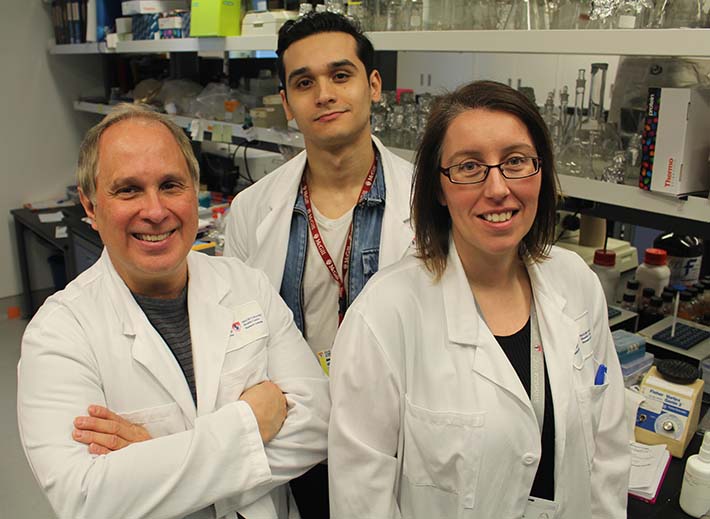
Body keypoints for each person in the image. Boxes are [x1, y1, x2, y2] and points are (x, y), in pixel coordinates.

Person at [328, 81, 630, 518]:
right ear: (438, 188)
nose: (498, 188)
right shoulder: (384, 316)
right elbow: (361, 500)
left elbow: (608, 449)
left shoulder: (576, 283)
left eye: (515, 161)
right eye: (469, 167)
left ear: (540, 171)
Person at [17, 104, 329, 519]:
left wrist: (154, 461)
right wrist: (250, 421)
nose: (156, 210)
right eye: (128, 189)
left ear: (193, 189)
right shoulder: (58, 333)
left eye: (171, 185)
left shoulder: (245, 285)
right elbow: (86, 497)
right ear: (91, 207)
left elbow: (319, 421)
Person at [223, 12, 414, 518]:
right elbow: (236, 342)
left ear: (374, 86)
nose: (324, 94)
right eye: (304, 83)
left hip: (400, 444)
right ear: (287, 103)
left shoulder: (430, 203)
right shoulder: (252, 211)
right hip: (298, 445)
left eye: (340, 75)